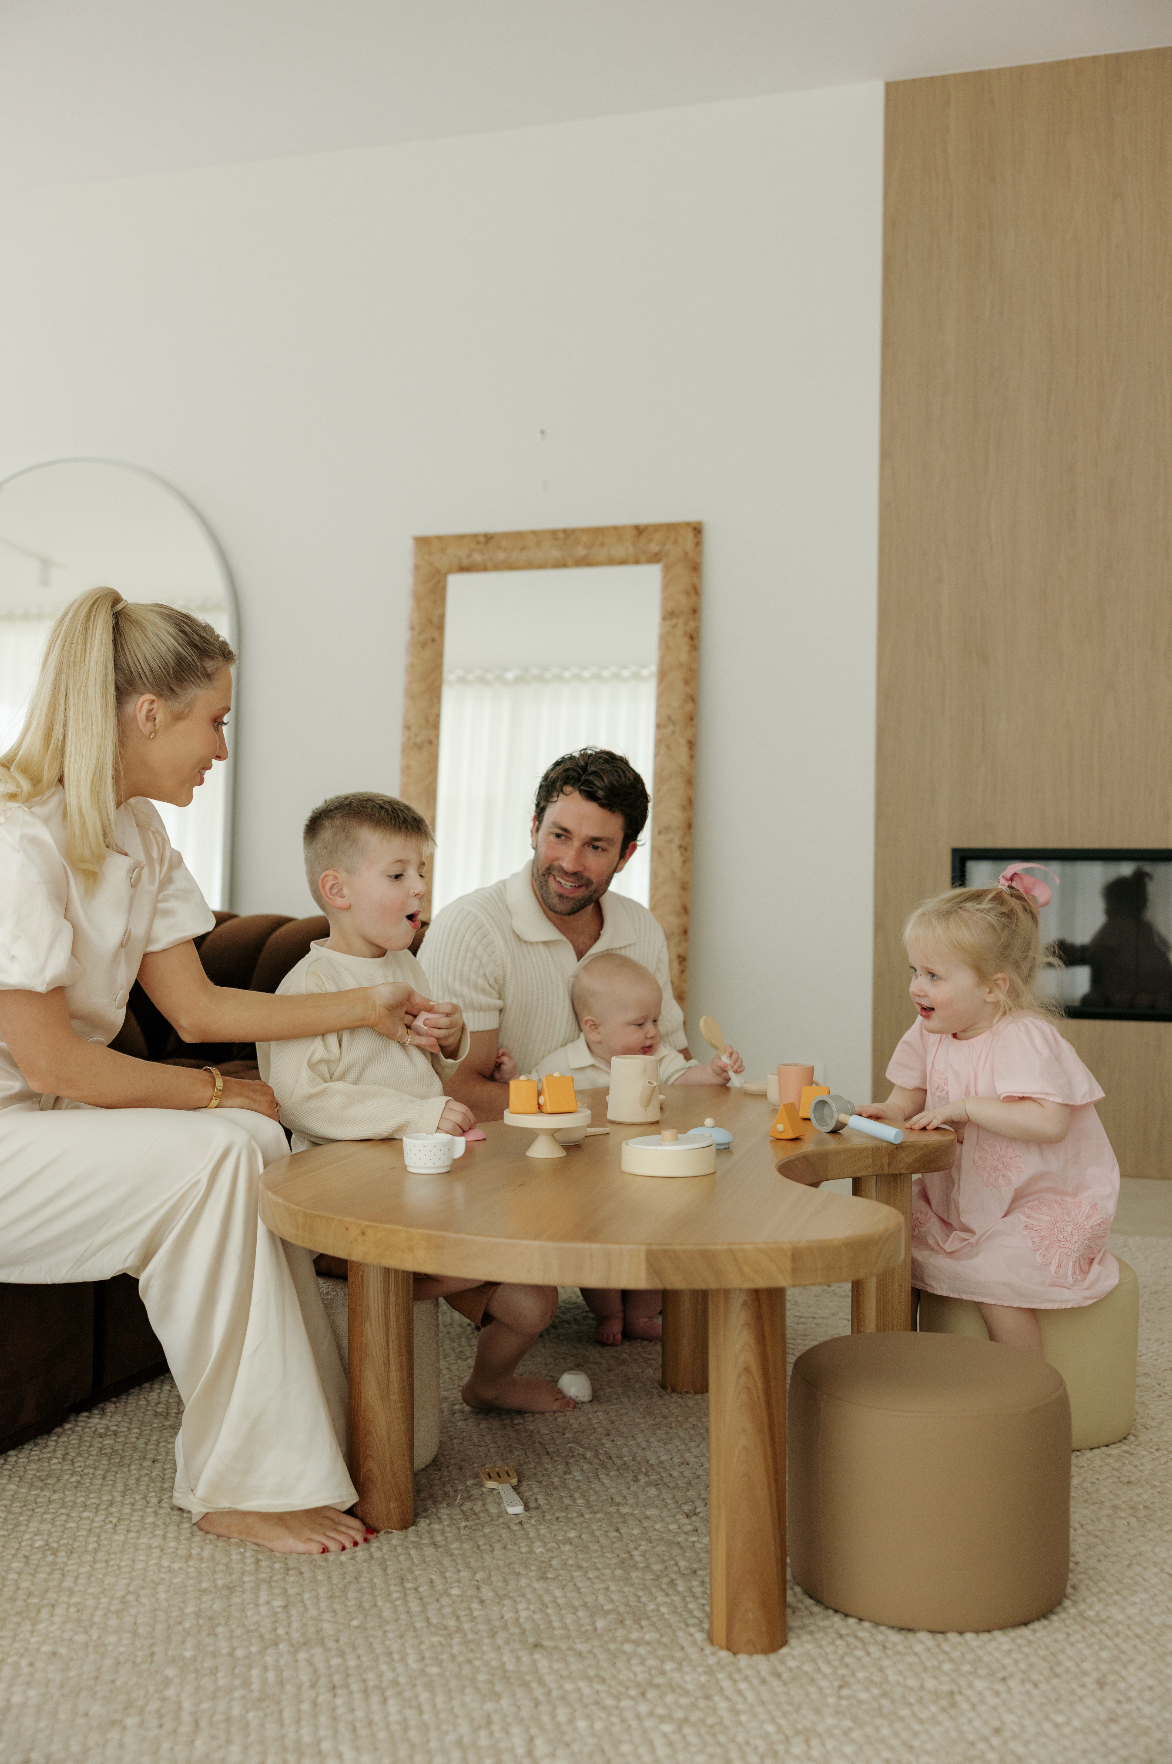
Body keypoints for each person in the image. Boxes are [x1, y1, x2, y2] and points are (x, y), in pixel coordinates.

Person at [0, 588, 450, 1554]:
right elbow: (56, 1061)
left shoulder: (139, 835)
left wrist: (366, 1002)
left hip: (35, 1126)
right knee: (219, 1146)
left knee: (255, 1137)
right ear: (147, 713)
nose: (222, 747)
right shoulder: (15, 840)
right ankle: (240, 1484)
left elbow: (199, 1009)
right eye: (216, 720)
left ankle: (316, 1441)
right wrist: (208, 1089)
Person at [260, 792, 573, 1414]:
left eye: (422, 874)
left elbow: (422, 1072)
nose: (418, 891)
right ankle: (383, 1297)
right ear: (337, 889)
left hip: (427, 1179)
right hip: (350, 1197)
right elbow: (298, 1099)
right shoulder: (308, 988)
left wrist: (450, 1045)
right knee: (513, 1244)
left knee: (534, 1301)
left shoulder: (409, 964)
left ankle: (488, 1383)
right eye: (398, 876)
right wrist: (415, 1117)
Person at [860, 865, 1119, 1358]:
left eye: (934, 976)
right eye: (914, 971)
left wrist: (968, 1108)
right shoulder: (927, 1031)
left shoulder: (1021, 1036)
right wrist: (888, 1110)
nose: (917, 987)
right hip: (958, 1197)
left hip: (1035, 1198)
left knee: (996, 1277)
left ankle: (1024, 1389)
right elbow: (907, 1093)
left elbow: (1050, 1121)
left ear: (993, 988)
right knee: (890, 1241)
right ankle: (894, 1358)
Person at [422, 748, 689, 1119]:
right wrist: (590, 1110)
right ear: (534, 828)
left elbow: (673, 1067)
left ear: (625, 855)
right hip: (500, 1163)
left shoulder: (641, 928)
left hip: (619, 1154)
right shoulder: (469, 929)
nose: (570, 863)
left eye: (595, 846)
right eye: (559, 836)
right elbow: (459, 1093)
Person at [530, 951, 745, 1345]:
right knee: (597, 1251)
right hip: (592, 1183)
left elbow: (685, 1079)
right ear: (594, 1029)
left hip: (649, 1176)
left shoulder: (658, 1058)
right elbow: (533, 1098)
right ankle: (609, 1312)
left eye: (656, 1021)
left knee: (662, 1239)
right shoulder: (563, 1065)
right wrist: (509, 1075)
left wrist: (714, 1072)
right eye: (639, 1023)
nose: (652, 1033)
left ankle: (642, 1313)